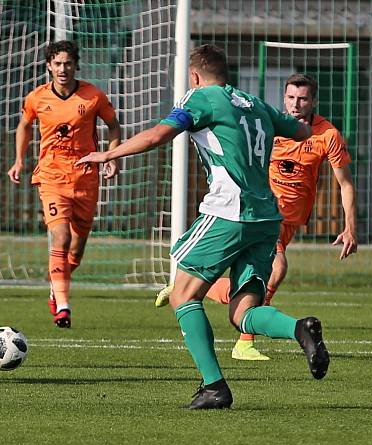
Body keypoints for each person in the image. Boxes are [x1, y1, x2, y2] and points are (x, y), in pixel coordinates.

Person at [77, 44, 329, 409]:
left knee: (183, 295)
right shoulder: (255, 103)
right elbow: (302, 132)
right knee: (242, 314)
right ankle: (298, 328)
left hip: (230, 211)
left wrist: (108, 153)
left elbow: (158, 135)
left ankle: (214, 386)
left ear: (194, 76)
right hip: (267, 218)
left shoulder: (201, 98)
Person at [155, 73, 358, 362]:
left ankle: (188, 288)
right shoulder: (267, 125)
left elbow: (345, 183)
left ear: (314, 101)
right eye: (290, 97)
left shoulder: (327, 135)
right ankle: (245, 340)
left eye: (302, 98)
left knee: (248, 288)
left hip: (287, 222)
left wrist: (351, 228)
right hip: (260, 214)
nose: (295, 104)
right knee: (277, 269)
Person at [7, 40, 121, 328]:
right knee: (61, 237)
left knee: (77, 250)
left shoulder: (93, 96)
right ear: (49, 66)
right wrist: (19, 160)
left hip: (85, 178)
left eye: (67, 63)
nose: (62, 69)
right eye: (57, 63)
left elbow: (114, 125)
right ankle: (63, 305)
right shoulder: (36, 98)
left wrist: (112, 156)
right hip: (51, 176)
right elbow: (24, 125)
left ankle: (55, 287)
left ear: (75, 65)